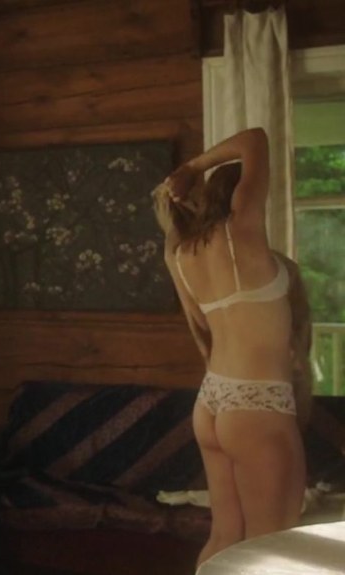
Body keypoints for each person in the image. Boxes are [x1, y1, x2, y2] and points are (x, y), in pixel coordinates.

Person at [153, 127, 312, 566]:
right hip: (256, 404)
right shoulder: (241, 233)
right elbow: (256, 139)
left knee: (225, 539)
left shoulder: (182, 255)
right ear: (244, 196)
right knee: (270, 550)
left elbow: (203, 338)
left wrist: (187, 178)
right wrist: (191, 169)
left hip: (213, 401)